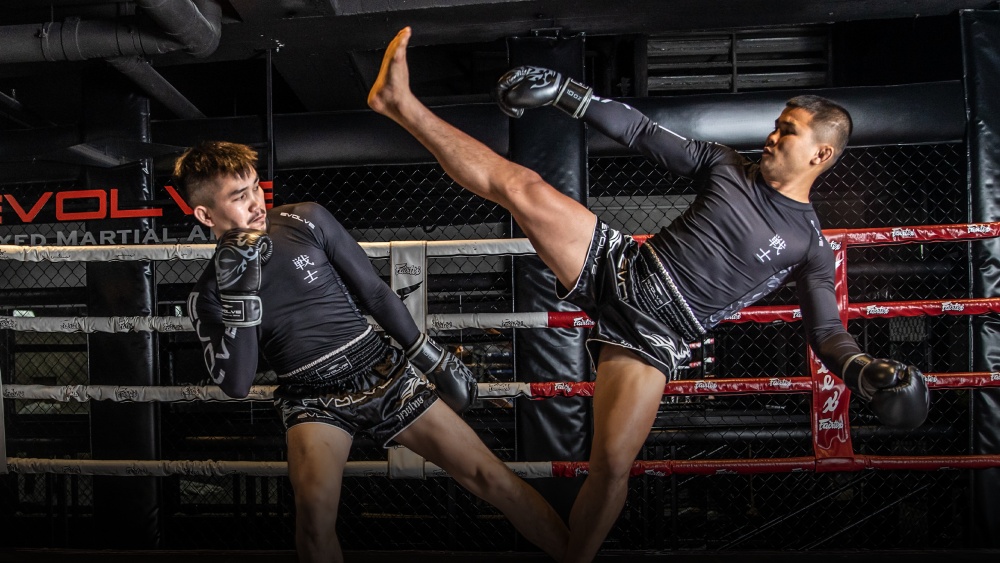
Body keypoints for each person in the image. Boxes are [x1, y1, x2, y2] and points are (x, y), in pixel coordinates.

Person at [367, 26, 931, 562]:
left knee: (611, 464)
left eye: (788, 130)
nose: (772, 135)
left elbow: (826, 332)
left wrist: (861, 369)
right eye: (777, 123)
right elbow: (640, 132)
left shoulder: (809, 245)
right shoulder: (725, 166)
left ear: (820, 155)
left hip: (655, 336)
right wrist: (567, 93)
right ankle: (400, 104)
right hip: (621, 268)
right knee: (522, 186)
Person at [176, 141, 569, 562]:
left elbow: (375, 293)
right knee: (313, 517)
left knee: (491, 478)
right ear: (204, 214)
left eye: (255, 187)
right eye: (239, 197)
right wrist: (241, 300)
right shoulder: (208, 295)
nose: (256, 203)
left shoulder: (302, 218)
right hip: (312, 398)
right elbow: (237, 385)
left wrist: (429, 356)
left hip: (380, 370)